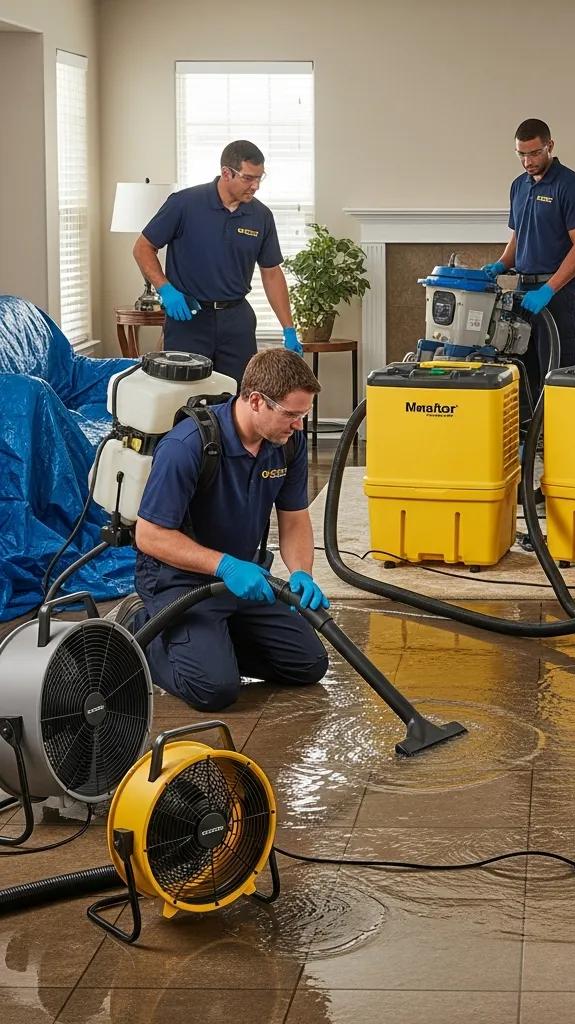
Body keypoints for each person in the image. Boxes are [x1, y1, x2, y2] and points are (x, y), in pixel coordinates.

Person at [133, 348, 330, 711]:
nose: (299, 425)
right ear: (256, 401)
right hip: (181, 582)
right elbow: (148, 535)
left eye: (304, 414)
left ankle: (210, 644)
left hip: (247, 578)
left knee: (309, 664)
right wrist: (224, 566)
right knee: (215, 691)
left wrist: (302, 572)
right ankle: (143, 631)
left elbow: (294, 517)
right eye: (292, 414)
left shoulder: (287, 444)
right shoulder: (187, 446)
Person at [133, 139, 303, 385]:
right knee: (183, 398)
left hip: (236, 321)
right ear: (226, 172)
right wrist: (165, 289)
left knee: (237, 399)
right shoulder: (184, 204)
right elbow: (143, 248)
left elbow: (271, 272)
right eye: (248, 178)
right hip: (189, 319)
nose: (255, 186)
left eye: (259, 178)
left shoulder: (261, 216)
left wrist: (288, 327)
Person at [481, 118, 575, 415]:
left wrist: (548, 289)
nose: (528, 161)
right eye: (521, 154)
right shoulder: (518, 186)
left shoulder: (571, 186)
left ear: (550, 146)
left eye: (534, 153)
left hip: (558, 295)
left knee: (557, 373)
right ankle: (527, 443)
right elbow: (519, 236)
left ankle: (561, 445)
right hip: (523, 292)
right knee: (523, 370)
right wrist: (500, 265)